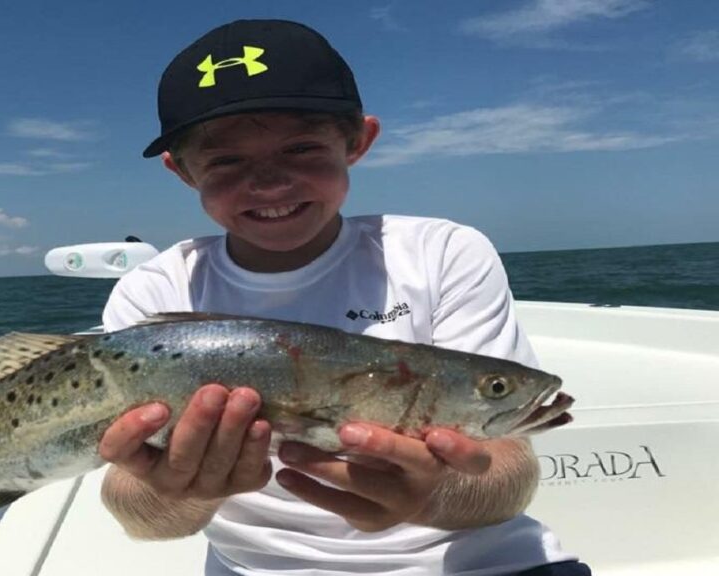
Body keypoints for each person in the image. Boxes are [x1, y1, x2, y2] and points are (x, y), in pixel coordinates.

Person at [96, 19, 591, 576]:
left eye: (302, 148)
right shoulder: (155, 290)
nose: (270, 182)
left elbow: (508, 472)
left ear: (358, 141)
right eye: (226, 161)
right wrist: (181, 490)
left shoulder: (441, 252)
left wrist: (434, 495)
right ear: (183, 171)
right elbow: (136, 514)